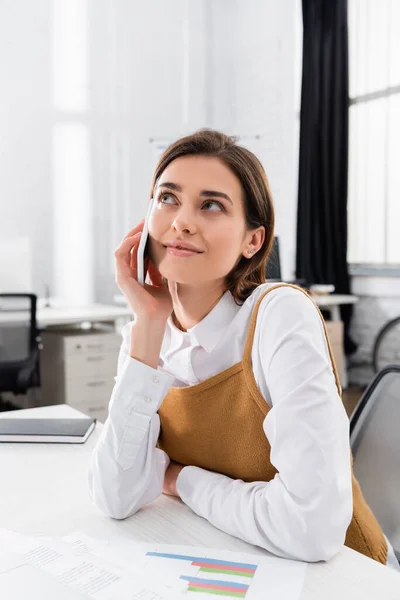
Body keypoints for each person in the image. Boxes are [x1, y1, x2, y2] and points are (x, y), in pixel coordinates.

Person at [88, 129, 398, 569]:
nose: (181, 222)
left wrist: (183, 481)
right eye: (167, 198)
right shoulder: (147, 334)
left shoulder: (279, 315)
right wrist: (149, 322)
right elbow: (114, 496)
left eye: (211, 205)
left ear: (252, 241)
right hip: (237, 559)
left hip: (347, 576)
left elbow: (312, 529)